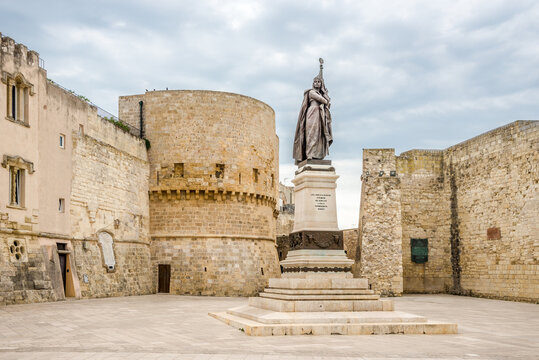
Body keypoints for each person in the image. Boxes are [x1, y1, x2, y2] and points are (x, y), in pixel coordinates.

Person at [293, 60, 333, 164]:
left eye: (319, 82)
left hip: (320, 115)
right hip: (312, 113)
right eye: (315, 81)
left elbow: (327, 101)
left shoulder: (319, 93)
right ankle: (309, 154)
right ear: (312, 83)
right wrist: (324, 95)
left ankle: (317, 155)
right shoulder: (311, 92)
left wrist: (324, 93)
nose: (317, 83)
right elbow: (324, 101)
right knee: (311, 134)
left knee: (319, 135)